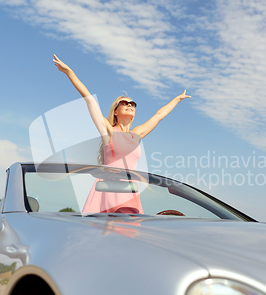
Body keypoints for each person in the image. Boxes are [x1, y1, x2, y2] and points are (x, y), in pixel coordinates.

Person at [53, 54, 190, 213]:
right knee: (104, 233)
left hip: (130, 190)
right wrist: (69, 72)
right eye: (124, 103)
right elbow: (89, 99)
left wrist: (177, 99)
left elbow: (158, 116)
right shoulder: (109, 132)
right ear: (116, 111)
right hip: (108, 189)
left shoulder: (136, 134)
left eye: (132, 103)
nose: (129, 105)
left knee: (129, 233)